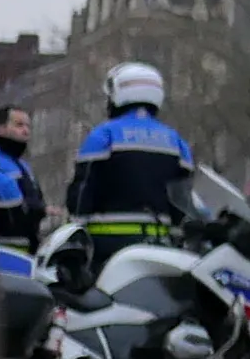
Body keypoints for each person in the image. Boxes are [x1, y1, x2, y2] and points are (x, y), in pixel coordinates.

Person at [60, 63, 199, 280]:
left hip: (108, 251)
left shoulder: (103, 136)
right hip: (161, 249)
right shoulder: (176, 142)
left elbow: (81, 196)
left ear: (119, 94)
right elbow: (182, 202)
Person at [0, 104, 44, 254]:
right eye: (19, 125)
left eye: (28, 126)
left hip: (25, 250)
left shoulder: (24, 166)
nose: (25, 131)